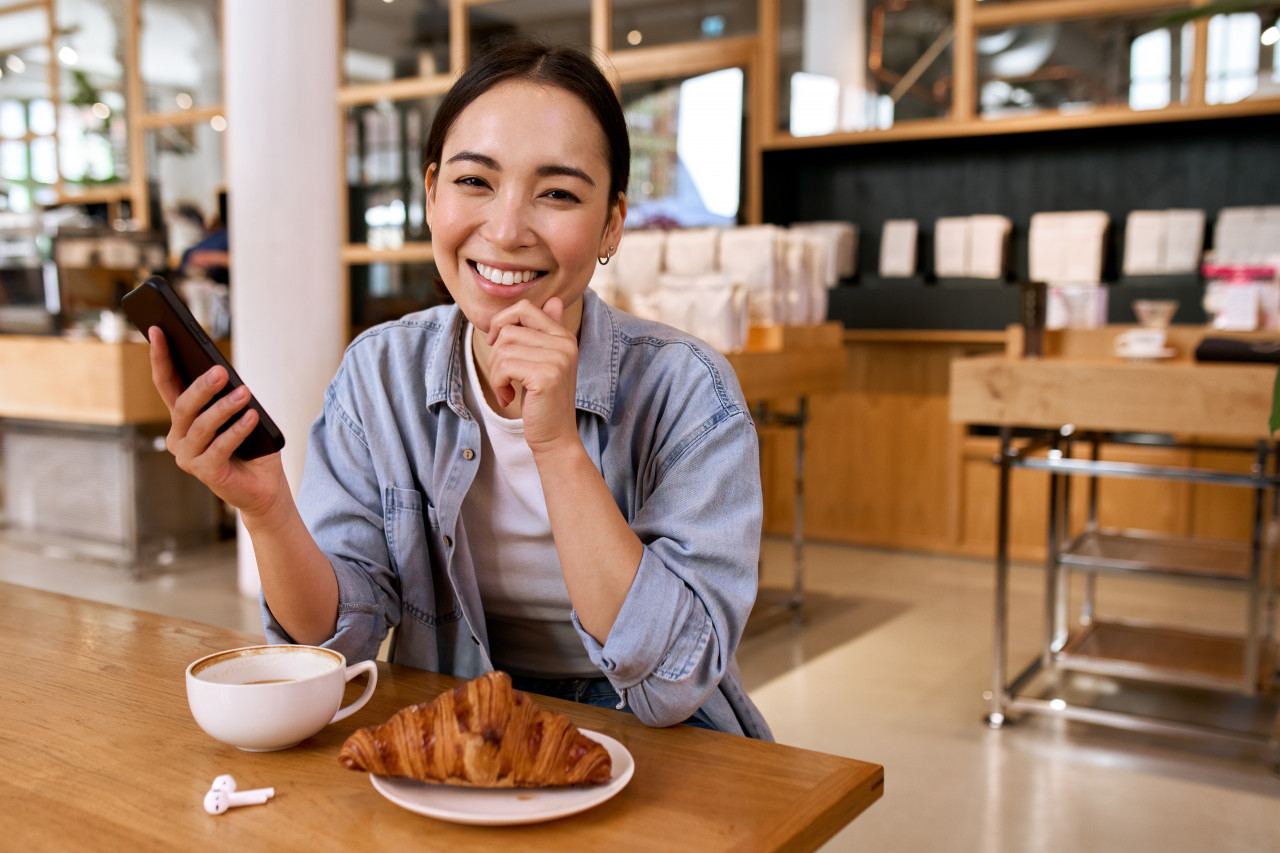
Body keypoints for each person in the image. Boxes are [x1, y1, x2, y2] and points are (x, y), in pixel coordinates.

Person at [146, 38, 771, 739]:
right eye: (475, 181)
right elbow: (337, 647)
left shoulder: (688, 390)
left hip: (658, 743)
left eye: (558, 193)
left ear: (612, 223)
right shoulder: (379, 375)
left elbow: (675, 680)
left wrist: (557, 447)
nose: (505, 230)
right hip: (459, 733)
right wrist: (267, 511)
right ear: (431, 193)